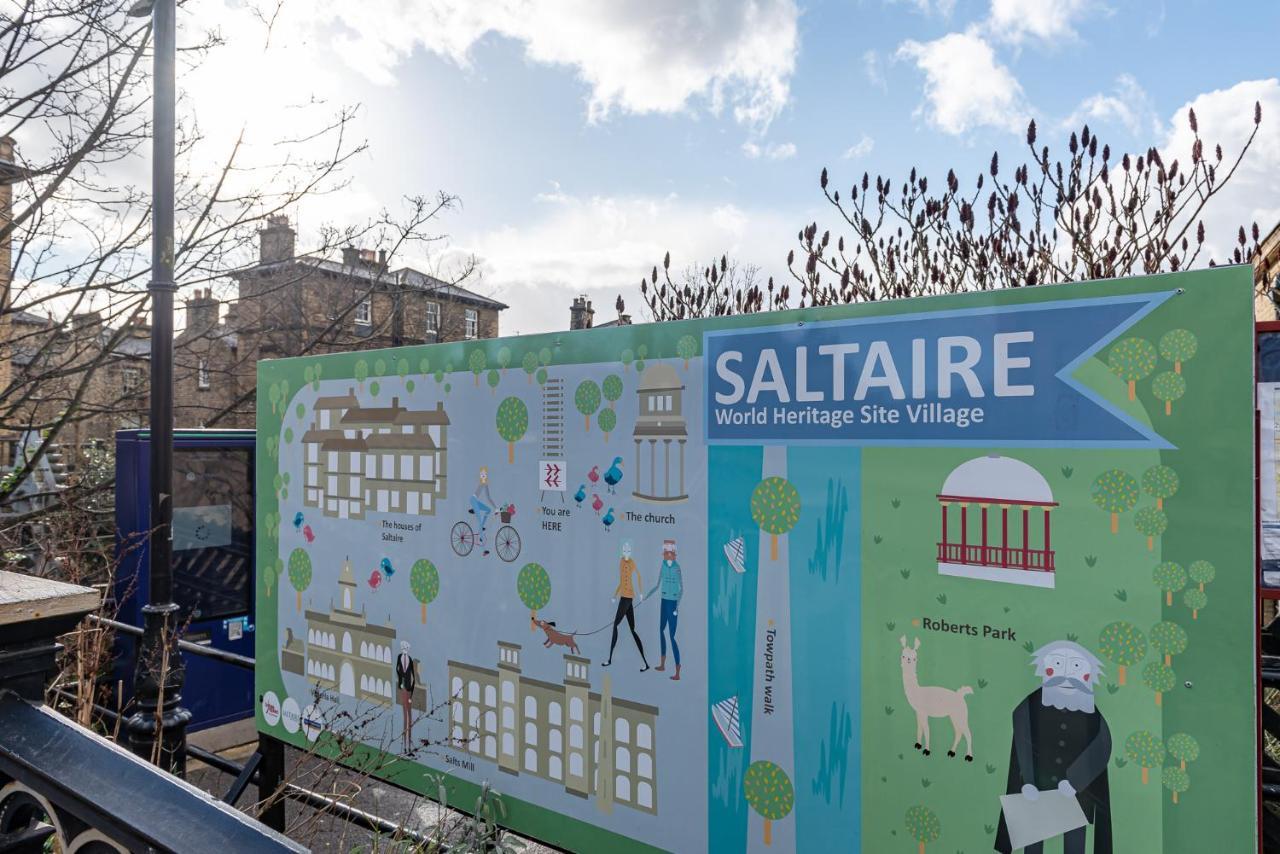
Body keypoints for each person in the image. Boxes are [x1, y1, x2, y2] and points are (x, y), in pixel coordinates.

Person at [994, 640, 1112, 854]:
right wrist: (1028, 782)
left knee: (1075, 844)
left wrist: (1075, 781)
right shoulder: (1029, 706)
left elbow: (1101, 748)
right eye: (1058, 665)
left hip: (1077, 794)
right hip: (1036, 792)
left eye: (1075, 667)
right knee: (1033, 841)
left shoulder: (1092, 714)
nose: (1066, 675)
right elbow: (1021, 742)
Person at [604, 540, 649, 671]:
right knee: (632, 629)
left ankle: (610, 659)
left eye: (628, 551)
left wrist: (640, 593)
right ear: (622, 551)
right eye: (624, 550)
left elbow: (639, 577)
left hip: (628, 598)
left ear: (631, 552)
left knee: (615, 625)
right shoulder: (621, 562)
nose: (626, 553)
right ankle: (645, 663)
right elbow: (621, 582)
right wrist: (614, 595)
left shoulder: (632, 563)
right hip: (624, 597)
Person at [652, 539, 682, 681]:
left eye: (671, 552)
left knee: (672, 636)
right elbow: (657, 585)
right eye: (666, 552)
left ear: (674, 553)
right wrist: (646, 596)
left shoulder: (677, 568)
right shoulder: (663, 567)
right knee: (660, 631)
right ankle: (662, 664)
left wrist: (677, 606)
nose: (668, 554)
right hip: (663, 602)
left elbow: (681, 588)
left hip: (672, 603)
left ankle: (677, 670)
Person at [394, 641, 419, 753]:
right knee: (405, 717)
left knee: (409, 717)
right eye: (403, 647)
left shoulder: (410, 659)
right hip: (403, 688)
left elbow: (413, 678)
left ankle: (408, 746)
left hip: (408, 690)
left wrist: (411, 695)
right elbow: (397, 669)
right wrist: (400, 682)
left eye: (406, 647)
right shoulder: (399, 657)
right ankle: (404, 746)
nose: (404, 649)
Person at [468, 466, 495, 556]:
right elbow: (480, 497)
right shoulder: (481, 484)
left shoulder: (485, 485)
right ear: (480, 476)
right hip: (473, 500)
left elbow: (489, 498)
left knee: (488, 510)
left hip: (476, 501)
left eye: (485, 474)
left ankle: (481, 527)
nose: (483, 476)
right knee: (479, 522)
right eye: (482, 474)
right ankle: (484, 550)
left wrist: (496, 507)